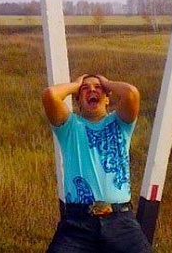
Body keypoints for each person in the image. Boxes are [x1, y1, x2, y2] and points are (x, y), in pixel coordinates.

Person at [42, 74, 152, 253]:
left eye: (98, 88)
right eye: (85, 89)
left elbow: (131, 93)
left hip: (120, 221)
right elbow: (50, 95)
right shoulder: (69, 126)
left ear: (107, 98)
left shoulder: (120, 123)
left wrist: (107, 83)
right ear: (78, 100)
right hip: (77, 223)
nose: (92, 90)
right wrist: (76, 84)